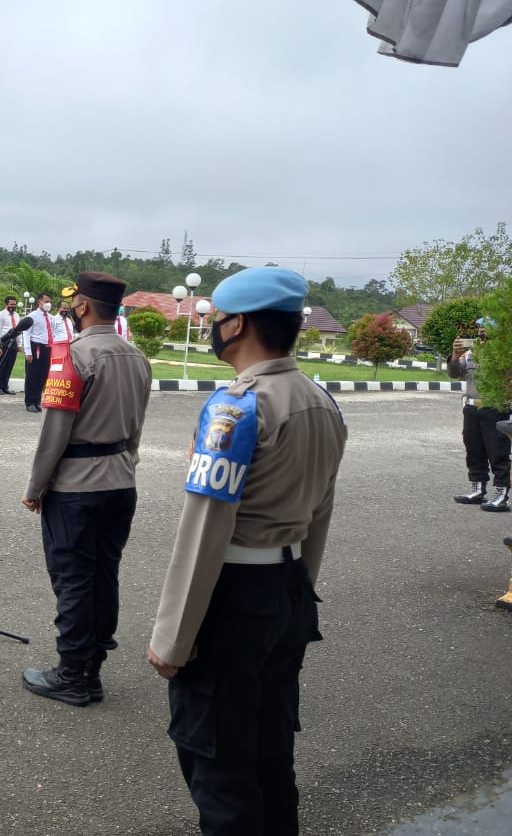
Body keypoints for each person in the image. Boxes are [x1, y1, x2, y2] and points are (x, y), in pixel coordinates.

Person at [146, 267, 347, 836]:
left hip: (232, 602)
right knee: (269, 755)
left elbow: (207, 525)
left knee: (221, 769)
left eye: (214, 320)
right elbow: (321, 512)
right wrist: (299, 587)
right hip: (286, 594)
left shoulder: (236, 406)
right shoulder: (322, 400)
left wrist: (172, 637)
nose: (210, 328)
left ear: (238, 325)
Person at [19, 272, 152, 706]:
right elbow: (135, 428)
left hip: (76, 487)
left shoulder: (73, 356)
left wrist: (36, 486)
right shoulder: (137, 356)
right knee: (103, 575)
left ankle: (71, 674)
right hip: (121, 481)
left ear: (81, 306)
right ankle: (92, 670)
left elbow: (55, 430)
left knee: (74, 579)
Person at [448, 320, 510, 512]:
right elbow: (454, 373)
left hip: (495, 408)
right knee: (473, 449)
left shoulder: (505, 353)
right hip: (472, 409)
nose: (481, 333)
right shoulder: (470, 353)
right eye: (480, 330)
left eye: (485, 331)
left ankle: (501, 494)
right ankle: (477, 488)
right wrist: (455, 355)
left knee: (497, 452)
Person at [23, 291, 71, 412]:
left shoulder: (51, 318)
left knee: (43, 375)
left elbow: (53, 333)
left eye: (49, 302)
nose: (48, 304)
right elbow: (26, 333)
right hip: (36, 347)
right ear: (39, 302)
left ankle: (37, 400)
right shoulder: (32, 316)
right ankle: (29, 402)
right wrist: (28, 351)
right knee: (32, 375)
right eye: (46, 302)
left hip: (47, 348)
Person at [0, 295, 23, 395]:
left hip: (13, 343)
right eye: (11, 304)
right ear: (6, 304)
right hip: (4, 342)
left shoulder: (17, 315)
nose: (13, 306)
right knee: (1, 365)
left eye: (14, 304)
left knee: (9, 365)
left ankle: (5, 386)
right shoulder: (1, 315)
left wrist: (19, 344)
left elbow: (19, 330)